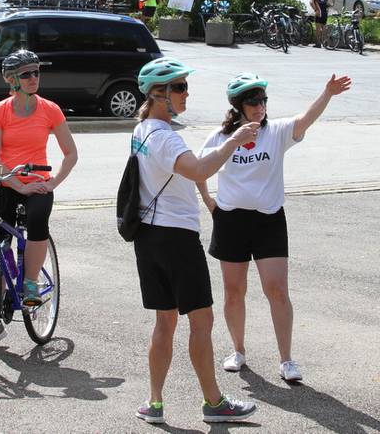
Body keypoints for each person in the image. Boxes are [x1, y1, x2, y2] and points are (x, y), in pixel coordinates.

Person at [197, 72, 351, 383]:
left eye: (263, 101)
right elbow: (200, 168)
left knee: (277, 290)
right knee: (233, 291)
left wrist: (327, 94)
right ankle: (238, 351)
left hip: (269, 221)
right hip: (231, 221)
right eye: (253, 102)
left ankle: (287, 360)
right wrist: (209, 203)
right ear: (239, 106)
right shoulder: (220, 137)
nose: (260, 106)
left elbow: (306, 119)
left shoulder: (276, 131)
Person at [131, 57, 258, 426]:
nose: (187, 93)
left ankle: (154, 403)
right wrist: (234, 140)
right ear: (160, 94)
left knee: (164, 323)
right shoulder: (165, 137)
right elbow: (199, 169)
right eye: (180, 87)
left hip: (149, 236)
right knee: (201, 323)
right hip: (176, 239)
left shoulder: (141, 130)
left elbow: (184, 165)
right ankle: (214, 403)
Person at [0, 49, 77, 340]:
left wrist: (52, 183)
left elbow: (70, 153)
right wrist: (15, 183)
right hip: (9, 185)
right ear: (11, 79)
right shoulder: (0, 111)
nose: (34, 78)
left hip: (37, 185)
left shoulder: (50, 109)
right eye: (26, 74)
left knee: (37, 222)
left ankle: (31, 285)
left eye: (37, 72)